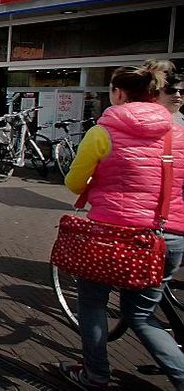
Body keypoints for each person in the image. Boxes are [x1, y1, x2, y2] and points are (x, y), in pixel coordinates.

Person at [58, 61, 184, 391]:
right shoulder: (178, 132)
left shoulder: (103, 132)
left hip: (114, 236)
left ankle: (95, 375)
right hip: (167, 237)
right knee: (142, 315)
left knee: (93, 303)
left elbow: (74, 182)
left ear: (118, 93)